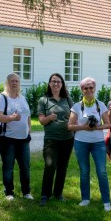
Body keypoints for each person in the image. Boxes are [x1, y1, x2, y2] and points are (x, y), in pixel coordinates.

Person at [68, 77, 111, 211]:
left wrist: (96, 127)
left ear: (94, 89)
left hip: (98, 143)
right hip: (81, 143)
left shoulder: (101, 104)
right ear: (82, 90)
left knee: (102, 172)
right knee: (84, 171)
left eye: (91, 87)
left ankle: (106, 201)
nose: (88, 90)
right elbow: (70, 126)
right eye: (85, 88)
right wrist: (84, 126)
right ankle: (85, 199)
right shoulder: (76, 106)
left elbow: (108, 123)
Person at [0, 73, 33, 201]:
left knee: (25, 167)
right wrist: (11, 118)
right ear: (7, 83)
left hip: (23, 139)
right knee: (8, 166)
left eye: (17, 81)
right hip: (8, 139)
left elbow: (28, 115)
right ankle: (9, 192)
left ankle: (26, 192)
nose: (14, 83)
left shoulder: (22, 98)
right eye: (12, 81)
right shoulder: (1, 98)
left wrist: (29, 130)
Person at [38, 73, 74, 206]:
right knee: (49, 165)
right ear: (49, 84)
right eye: (53, 81)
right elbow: (41, 121)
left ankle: (58, 193)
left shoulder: (67, 99)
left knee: (62, 167)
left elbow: (75, 115)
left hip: (67, 138)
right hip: (51, 139)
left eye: (58, 82)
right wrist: (49, 118)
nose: (56, 84)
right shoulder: (43, 100)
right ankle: (45, 195)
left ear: (62, 84)